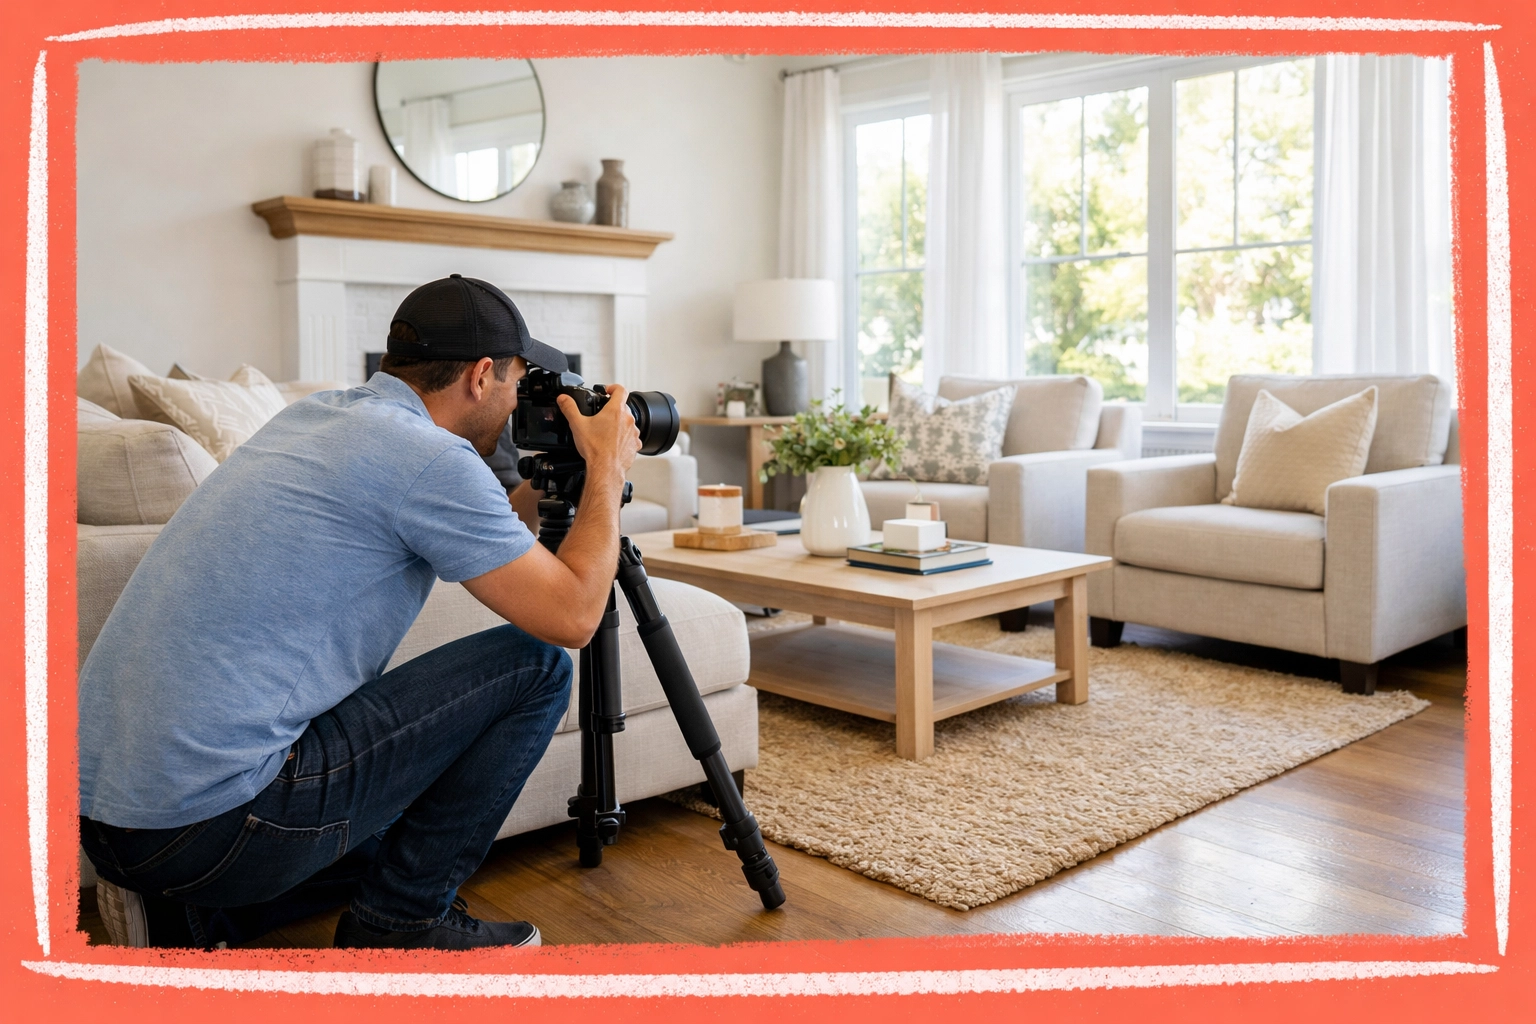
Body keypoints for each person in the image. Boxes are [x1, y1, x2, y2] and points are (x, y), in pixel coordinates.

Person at [77, 275, 640, 950]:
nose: (520, 402)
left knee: (385, 835)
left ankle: (196, 916)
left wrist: (558, 476)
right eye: (519, 383)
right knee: (538, 666)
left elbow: (492, 534)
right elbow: (574, 616)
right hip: (209, 827)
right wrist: (607, 471)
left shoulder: (320, 418)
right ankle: (401, 926)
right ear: (482, 375)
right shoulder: (429, 460)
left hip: (111, 822)